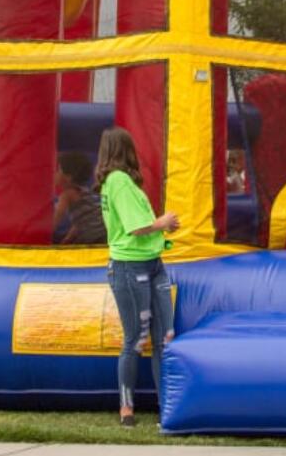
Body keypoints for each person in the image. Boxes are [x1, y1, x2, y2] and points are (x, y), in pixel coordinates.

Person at [97, 126, 179, 427]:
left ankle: (168, 404)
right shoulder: (118, 181)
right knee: (135, 339)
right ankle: (126, 408)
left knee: (165, 337)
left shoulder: (125, 183)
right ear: (125, 150)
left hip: (152, 264)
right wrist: (163, 221)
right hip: (130, 269)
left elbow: (140, 225)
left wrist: (161, 228)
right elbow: (135, 227)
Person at [51, 151, 107, 245]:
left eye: (58, 170)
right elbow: (80, 223)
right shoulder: (85, 192)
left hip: (95, 237)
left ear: (68, 177)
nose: (54, 174)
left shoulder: (67, 195)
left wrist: (40, 237)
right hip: (104, 234)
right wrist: (67, 239)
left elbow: (55, 220)